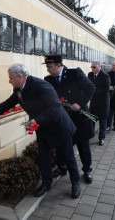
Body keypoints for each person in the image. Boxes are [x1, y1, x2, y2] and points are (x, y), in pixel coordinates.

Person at [0, 63, 81, 198]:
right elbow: (7, 104)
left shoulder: (41, 86)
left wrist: (36, 120)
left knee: (68, 157)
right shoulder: (18, 89)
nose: (9, 81)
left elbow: (55, 107)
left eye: (11, 78)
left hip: (58, 126)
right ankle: (46, 184)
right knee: (43, 157)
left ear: (20, 77)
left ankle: (75, 183)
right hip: (42, 127)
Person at [44, 55, 96, 184]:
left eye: (49, 67)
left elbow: (91, 88)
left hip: (79, 116)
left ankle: (87, 169)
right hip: (63, 118)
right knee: (62, 144)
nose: (48, 70)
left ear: (59, 66)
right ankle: (62, 168)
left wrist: (79, 103)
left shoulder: (74, 73)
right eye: (47, 67)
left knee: (83, 145)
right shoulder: (48, 79)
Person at [88, 61, 110, 146]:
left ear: (99, 67)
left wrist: (92, 93)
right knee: (91, 119)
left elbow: (105, 89)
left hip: (102, 103)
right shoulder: (90, 75)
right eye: (92, 67)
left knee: (102, 122)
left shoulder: (105, 76)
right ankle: (90, 134)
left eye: (94, 67)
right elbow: (88, 85)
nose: (92, 69)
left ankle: (101, 138)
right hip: (93, 103)